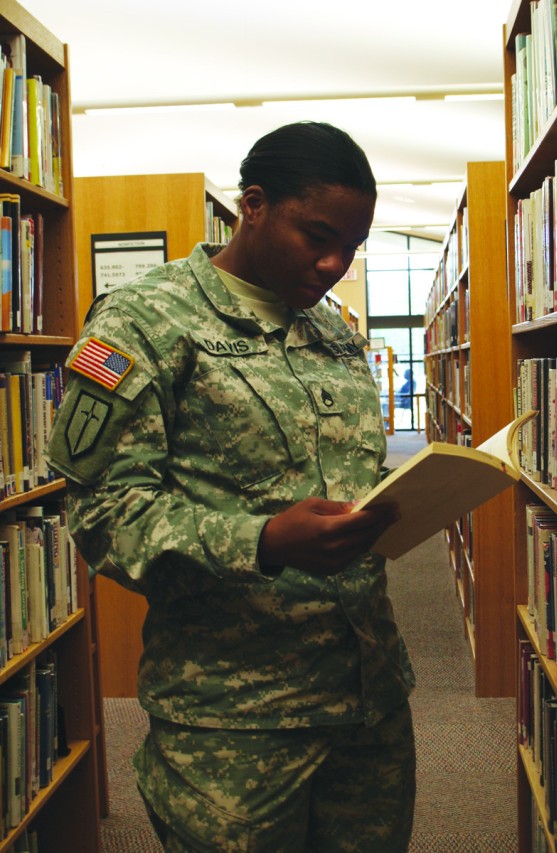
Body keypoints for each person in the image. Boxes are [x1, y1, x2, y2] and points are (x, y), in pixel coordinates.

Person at [45, 121, 416, 852]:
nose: (335, 261)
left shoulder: (335, 333)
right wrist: (266, 539)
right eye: (318, 234)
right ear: (253, 204)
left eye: (353, 246)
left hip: (367, 704)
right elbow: (105, 517)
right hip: (233, 721)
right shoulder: (142, 324)